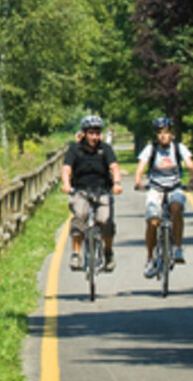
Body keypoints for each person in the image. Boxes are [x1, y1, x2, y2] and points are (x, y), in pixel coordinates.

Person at [133, 116, 193, 279]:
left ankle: (178, 247)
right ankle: (150, 258)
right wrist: (138, 182)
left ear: (171, 134)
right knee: (153, 220)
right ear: (156, 135)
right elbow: (140, 167)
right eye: (160, 133)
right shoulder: (151, 149)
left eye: (166, 132)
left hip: (174, 186)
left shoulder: (178, 148)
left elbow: (190, 165)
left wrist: (191, 181)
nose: (163, 136)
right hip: (155, 188)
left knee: (176, 208)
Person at [61, 115, 123, 272]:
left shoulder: (105, 149)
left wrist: (116, 184)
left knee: (106, 221)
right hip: (80, 190)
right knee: (79, 216)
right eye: (91, 133)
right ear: (84, 133)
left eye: (97, 133)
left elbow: (114, 167)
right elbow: (66, 168)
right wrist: (67, 184)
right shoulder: (75, 149)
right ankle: (76, 253)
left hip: (102, 190)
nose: (94, 136)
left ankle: (108, 253)